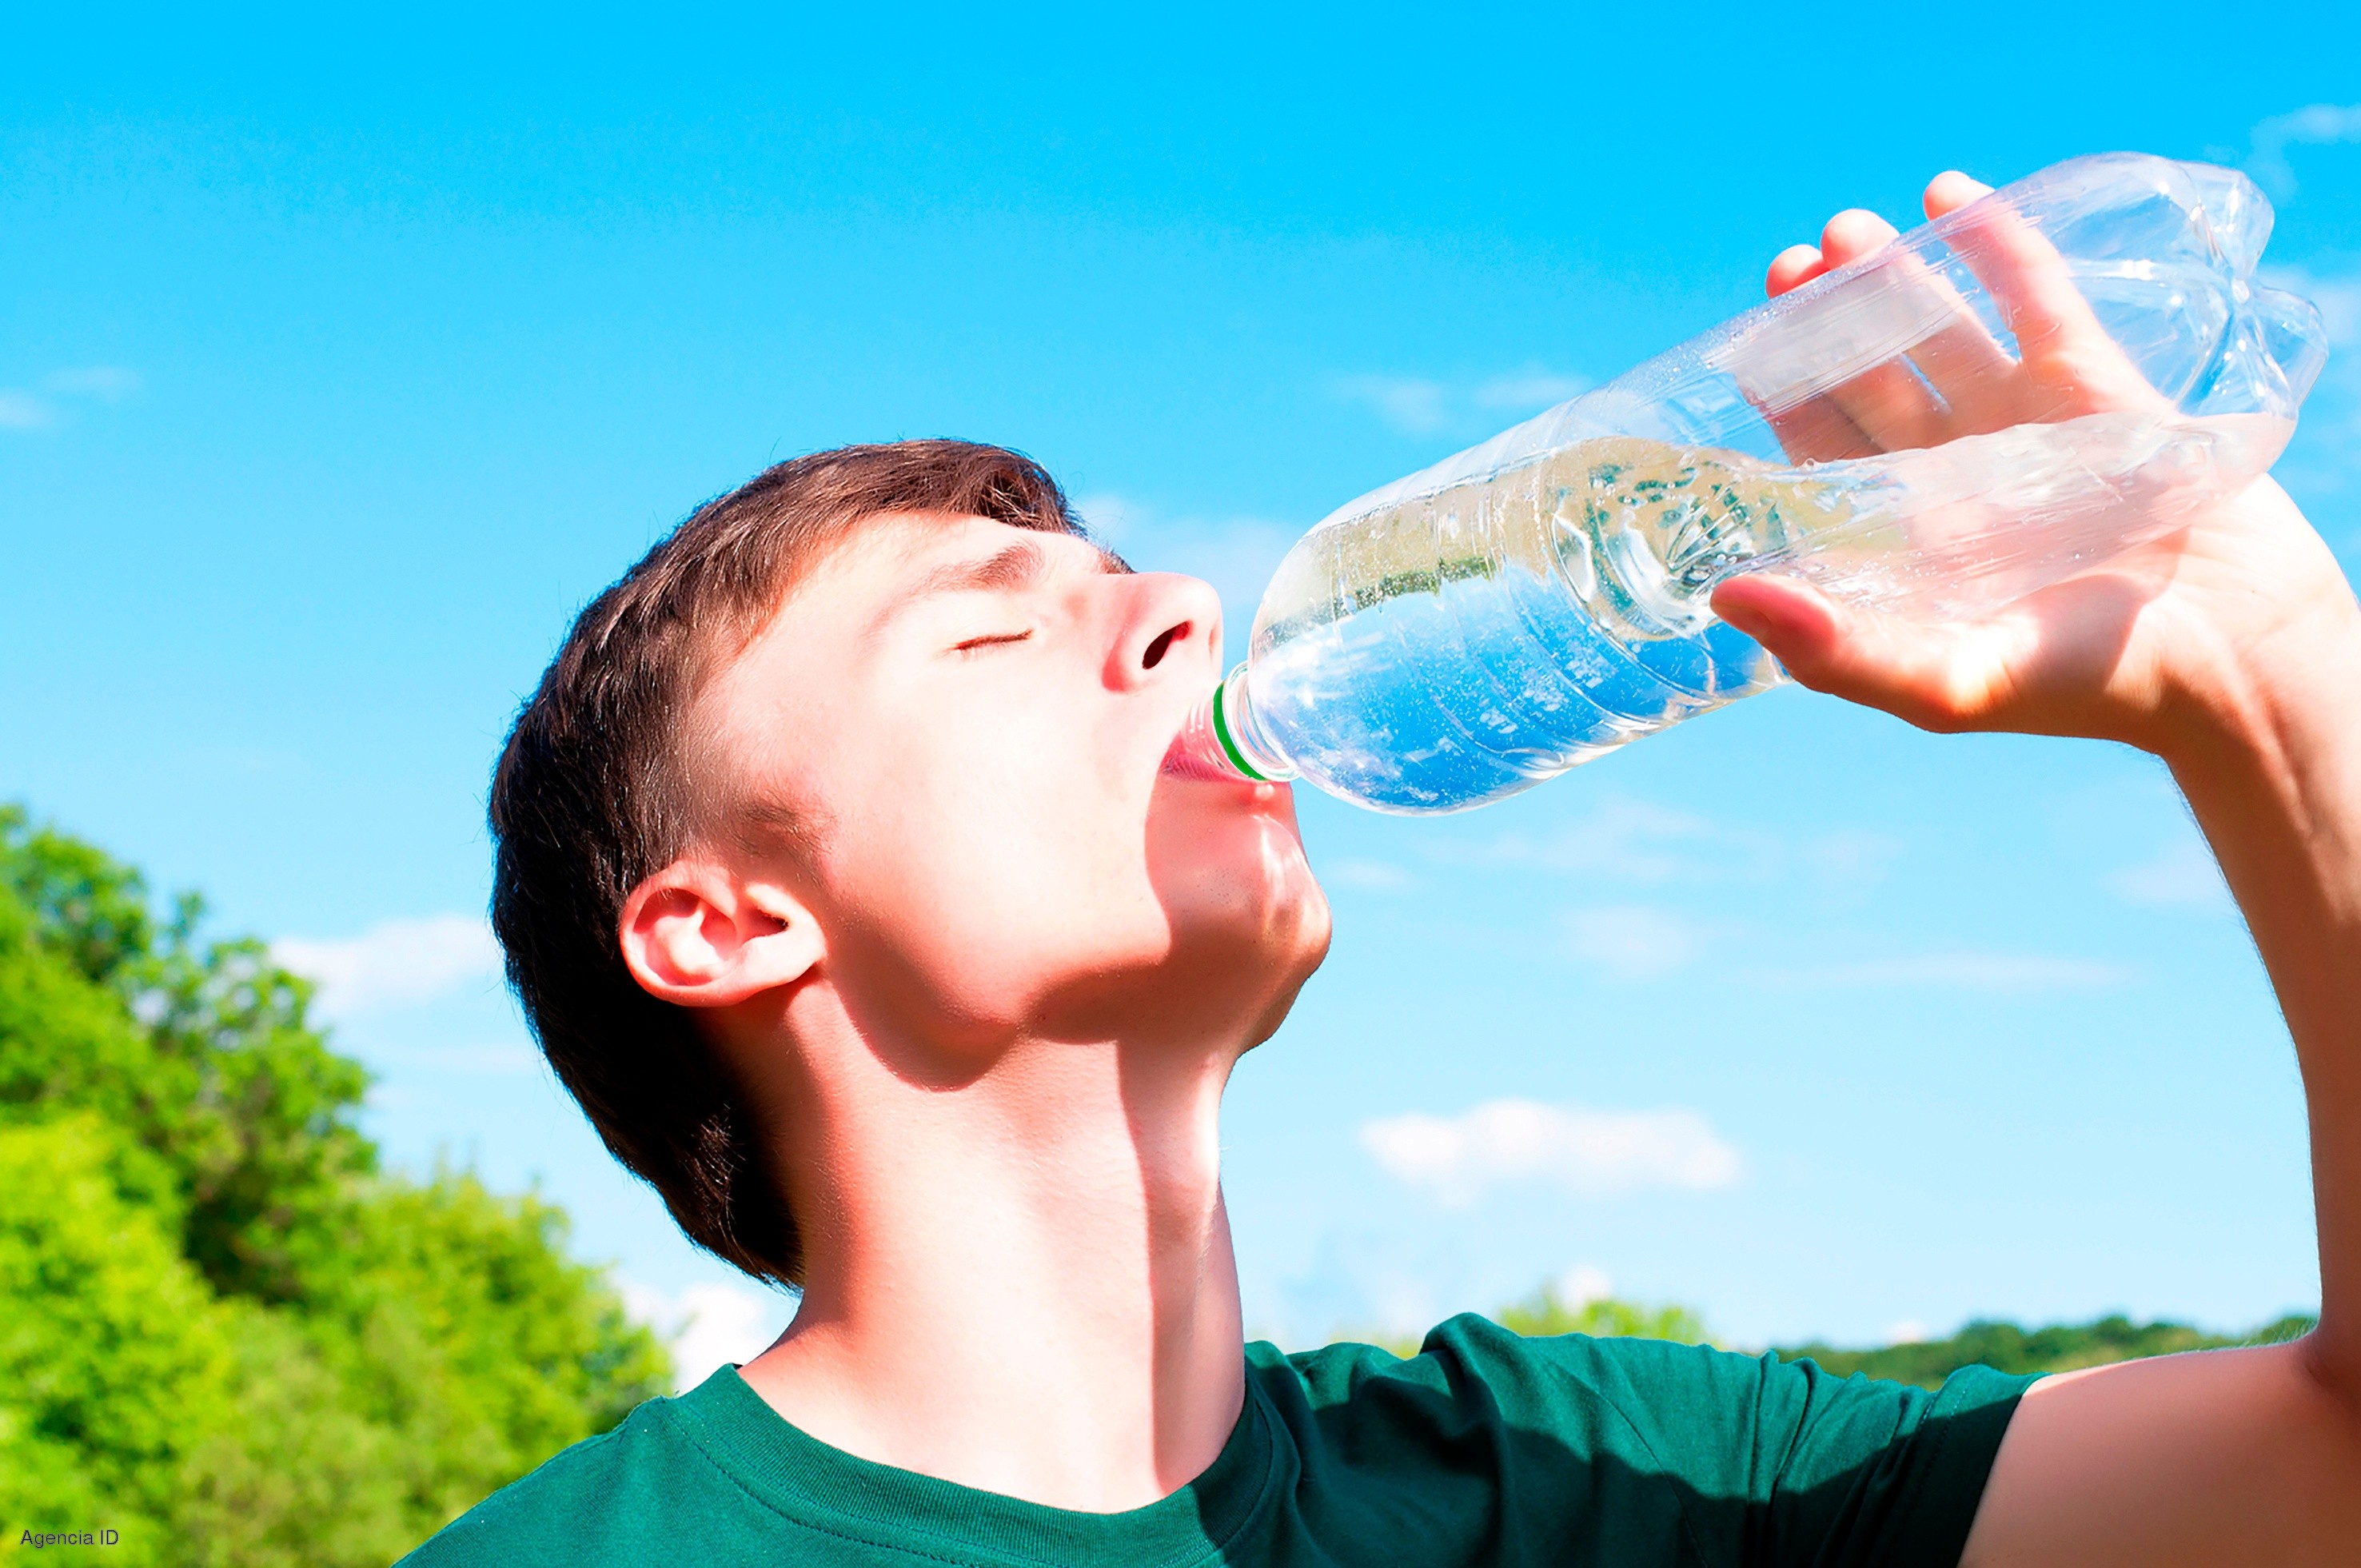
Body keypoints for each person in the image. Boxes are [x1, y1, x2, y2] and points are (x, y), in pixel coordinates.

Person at [401, 171, 2361, 1566]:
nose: (1181, 605)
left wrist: (2273, 681)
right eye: (991, 632)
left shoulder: (1588, 1484)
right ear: (727, 921)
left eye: (1134, 580)